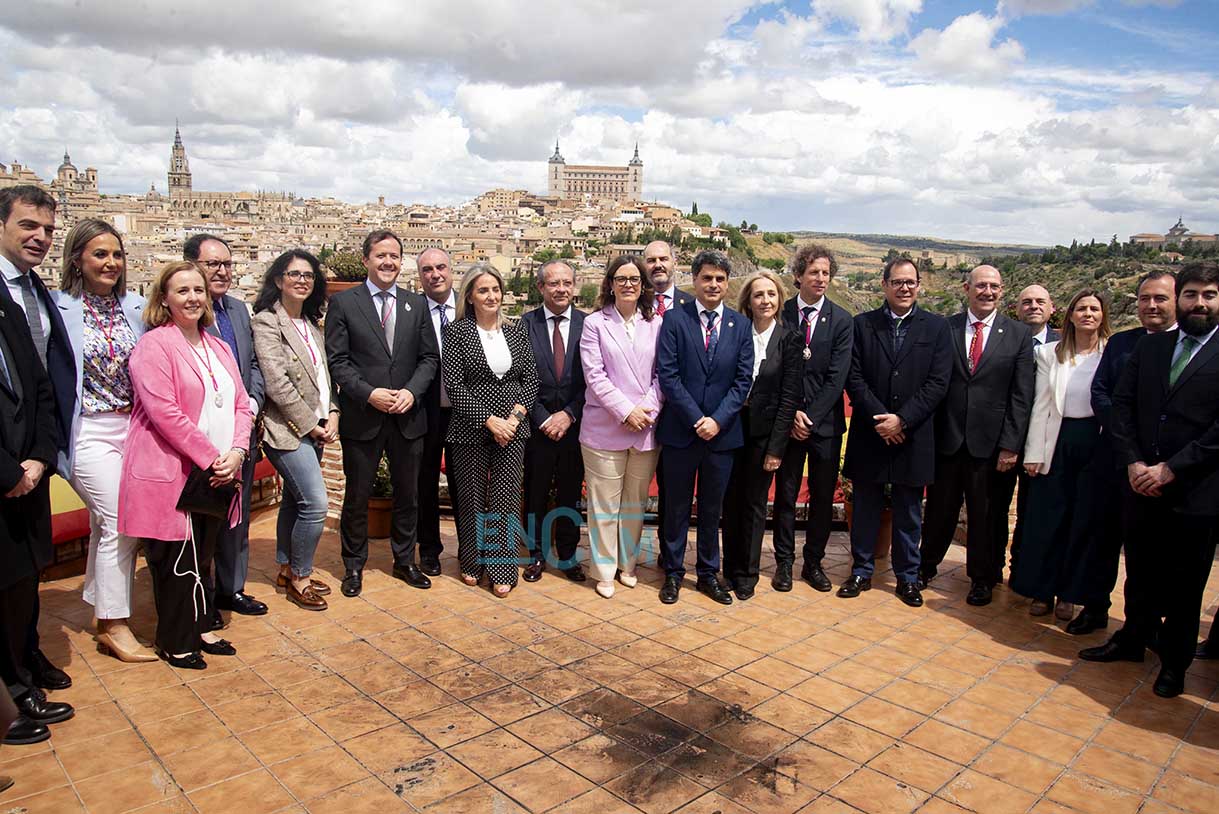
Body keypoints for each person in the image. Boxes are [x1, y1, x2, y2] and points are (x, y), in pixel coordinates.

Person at [1080, 261, 1219, 699]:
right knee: (1138, 570)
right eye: (1192, 294)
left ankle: (1174, 663)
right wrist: (1134, 462)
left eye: (1209, 295)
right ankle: (1132, 639)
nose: (1199, 303)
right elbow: (1121, 406)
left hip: (1195, 490)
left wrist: (1172, 468)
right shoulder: (1152, 347)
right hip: (1140, 483)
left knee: (1185, 584)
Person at [118, 261, 252, 669]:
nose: (193, 298)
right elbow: (165, 413)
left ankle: (202, 625)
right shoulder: (154, 346)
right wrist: (211, 457)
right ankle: (176, 641)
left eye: (198, 290)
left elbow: (241, 404)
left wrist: (237, 451)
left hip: (219, 470)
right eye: (182, 291)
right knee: (176, 559)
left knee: (204, 552)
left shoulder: (218, 347)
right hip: (175, 471)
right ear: (164, 299)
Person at [53, 220, 153, 662]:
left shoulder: (135, 307)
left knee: (103, 522)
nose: (111, 262)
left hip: (130, 426)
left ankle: (100, 607)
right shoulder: (58, 308)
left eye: (116, 254)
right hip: (87, 429)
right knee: (120, 521)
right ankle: (115, 624)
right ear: (77, 259)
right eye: (100, 254)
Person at [324, 230, 439, 597]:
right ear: (366, 261)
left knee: (409, 495)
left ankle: (404, 560)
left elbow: (429, 358)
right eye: (380, 256)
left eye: (394, 256)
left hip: (408, 417)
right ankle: (353, 565)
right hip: (364, 417)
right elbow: (337, 362)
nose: (388, 262)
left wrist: (411, 391)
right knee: (357, 497)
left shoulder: (416, 304)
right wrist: (368, 393)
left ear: (401, 262)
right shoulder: (344, 304)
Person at [1064, 271, 1176, 635]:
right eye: (1144, 299)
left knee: (1149, 551)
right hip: (1113, 458)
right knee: (1100, 537)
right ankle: (1094, 607)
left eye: (1160, 298)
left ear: (1177, 301)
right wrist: (1128, 442)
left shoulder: (1189, 347)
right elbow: (1101, 392)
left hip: (1161, 467)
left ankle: (1144, 625)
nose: (1151, 306)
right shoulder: (1122, 343)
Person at [920, 265, 1035, 607]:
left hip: (992, 445)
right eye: (981, 285)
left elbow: (1021, 395)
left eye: (994, 286)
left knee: (987, 515)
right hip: (947, 440)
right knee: (939, 510)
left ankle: (983, 578)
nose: (988, 292)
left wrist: (1011, 445)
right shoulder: (945, 327)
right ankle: (925, 567)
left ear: (1002, 291)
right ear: (966, 288)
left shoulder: (1018, 335)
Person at [841, 258, 952, 607]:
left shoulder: (937, 328)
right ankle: (861, 570)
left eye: (910, 282)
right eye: (897, 282)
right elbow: (853, 377)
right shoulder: (862, 325)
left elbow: (938, 382)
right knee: (865, 506)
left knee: (908, 511)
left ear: (919, 285)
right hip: (870, 432)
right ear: (884, 285)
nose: (905, 288)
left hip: (913, 435)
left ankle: (907, 577)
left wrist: (902, 420)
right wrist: (882, 420)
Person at [0, 186, 74, 693]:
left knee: (26, 570)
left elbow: (42, 379)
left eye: (48, 229)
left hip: (31, 458)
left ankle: (25, 656)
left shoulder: (34, 291)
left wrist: (41, 456)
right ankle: (13, 688)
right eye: (28, 225)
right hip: (6, 461)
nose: (41, 237)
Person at [655, 250, 753, 606]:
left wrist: (717, 420)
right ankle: (673, 572)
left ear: (727, 284)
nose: (713, 284)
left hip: (721, 436)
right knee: (676, 507)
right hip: (682, 431)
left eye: (720, 279)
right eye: (707, 278)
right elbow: (668, 375)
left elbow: (743, 381)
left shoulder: (741, 326)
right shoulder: (674, 319)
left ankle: (709, 573)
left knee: (713, 509)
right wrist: (697, 419)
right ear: (694, 280)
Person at [1012, 290, 1110, 620]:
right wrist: (1033, 453)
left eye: (1094, 309)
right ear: (1069, 315)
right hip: (1057, 441)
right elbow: (1040, 405)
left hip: (1094, 442)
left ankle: (1069, 594)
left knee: (1082, 522)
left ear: (1103, 316)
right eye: (1081, 308)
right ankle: (1042, 591)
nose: (1088, 314)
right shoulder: (1049, 354)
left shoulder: (1111, 353)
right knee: (1047, 520)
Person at [442, 264, 538, 598]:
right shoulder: (457, 333)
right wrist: (489, 420)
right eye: (483, 290)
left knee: (505, 498)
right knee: (471, 499)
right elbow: (454, 386)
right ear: (469, 296)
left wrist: (513, 420)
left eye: (495, 289)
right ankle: (471, 561)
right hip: (469, 429)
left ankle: (501, 567)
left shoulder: (516, 331)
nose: (491, 296)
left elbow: (530, 379)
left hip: (513, 430)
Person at [184, 234, 267, 618]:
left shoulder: (237, 310)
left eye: (227, 264)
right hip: (200, 435)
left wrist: (251, 404)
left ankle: (231, 589)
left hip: (241, 431)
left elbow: (253, 364)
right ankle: (199, 595)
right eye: (212, 264)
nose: (222, 271)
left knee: (238, 514)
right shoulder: (182, 313)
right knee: (199, 519)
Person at [252, 250, 339, 611]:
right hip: (286, 431)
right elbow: (277, 383)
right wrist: (311, 425)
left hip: (316, 426)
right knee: (316, 504)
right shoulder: (267, 322)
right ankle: (301, 576)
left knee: (293, 500)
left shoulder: (310, 324)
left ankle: (287, 567)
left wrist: (332, 412)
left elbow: (323, 378)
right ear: (278, 280)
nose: (302, 281)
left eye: (308, 275)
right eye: (294, 274)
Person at [579, 256, 663, 599]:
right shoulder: (594, 324)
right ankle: (603, 570)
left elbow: (663, 374)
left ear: (643, 285)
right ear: (610, 284)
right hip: (605, 427)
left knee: (634, 503)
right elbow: (594, 375)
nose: (628, 284)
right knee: (603, 505)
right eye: (621, 278)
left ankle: (627, 564)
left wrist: (647, 410)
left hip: (645, 426)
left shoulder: (656, 323)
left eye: (634, 279)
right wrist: (627, 411)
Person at [773, 243, 853, 593]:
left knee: (822, 497)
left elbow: (838, 377)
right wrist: (791, 414)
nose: (821, 278)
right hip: (786, 423)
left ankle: (813, 563)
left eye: (825, 273)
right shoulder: (782, 314)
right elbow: (774, 369)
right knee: (786, 495)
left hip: (825, 426)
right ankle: (784, 563)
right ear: (798, 276)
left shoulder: (842, 320)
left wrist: (810, 416)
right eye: (814, 272)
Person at [721, 271, 800, 600]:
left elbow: (789, 398)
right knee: (730, 501)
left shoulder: (790, 339)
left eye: (771, 294)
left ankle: (747, 573)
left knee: (754, 504)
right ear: (748, 301)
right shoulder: (736, 332)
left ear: (779, 299)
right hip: (730, 429)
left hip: (764, 436)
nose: (765, 300)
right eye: (758, 295)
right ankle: (729, 568)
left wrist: (776, 449)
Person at [988, 284, 1060, 574]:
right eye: (1027, 302)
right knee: (995, 508)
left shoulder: (1064, 344)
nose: (1033, 306)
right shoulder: (1002, 339)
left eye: (1040, 301)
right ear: (1016, 309)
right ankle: (991, 569)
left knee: (1033, 511)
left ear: (1052, 308)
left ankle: (1023, 569)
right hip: (1003, 440)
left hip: (1044, 443)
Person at [521, 261, 586, 582]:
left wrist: (569, 413)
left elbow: (594, 378)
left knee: (570, 494)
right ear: (540, 287)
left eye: (566, 283)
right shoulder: (524, 325)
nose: (561, 289)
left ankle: (568, 555)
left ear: (574, 286)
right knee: (535, 493)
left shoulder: (590, 325)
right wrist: (543, 417)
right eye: (553, 284)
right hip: (537, 427)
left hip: (576, 425)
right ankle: (535, 555)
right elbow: (519, 378)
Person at [642, 240, 691, 546]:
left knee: (674, 493)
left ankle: (669, 552)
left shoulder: (692, 306)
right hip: (638, 414)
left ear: (674, 262)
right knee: (632, 492)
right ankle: (624, 552)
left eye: (663, 259)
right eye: (651, 260)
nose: (658, 265)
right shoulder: (631, 304)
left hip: (678, 415)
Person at [416, 247, 457, 577]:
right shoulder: (412, 310)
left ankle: (471, 548)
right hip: (425, 412)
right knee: (424, 483)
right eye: (427, 269)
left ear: (451, 270)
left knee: (466, 484)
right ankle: (429, 550)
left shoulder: (470, 309)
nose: (435, 274)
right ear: (420, 276)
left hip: (466, 413)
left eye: (440, 267)